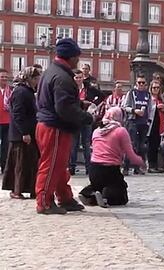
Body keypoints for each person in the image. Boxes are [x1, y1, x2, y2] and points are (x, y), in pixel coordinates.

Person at [36, 38, 94, 215]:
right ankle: (44, 202)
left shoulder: (51, 72)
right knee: (52, 164)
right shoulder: (63, 78)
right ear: (70, 57)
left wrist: (79, 103)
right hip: (56, 127)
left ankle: (65, 198)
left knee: (59, 165)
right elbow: (64, 109)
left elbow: (58, 102)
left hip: (47, 124)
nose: (78, 60)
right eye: (77, 56)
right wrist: (86, 117)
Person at [78, 107, 145, 207]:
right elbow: (130, 155)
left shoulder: (97, 131)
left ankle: (87, 194)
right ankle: (106, 197)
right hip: (111, 169)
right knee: (121, 194)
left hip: (94, 169)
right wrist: (141, 162)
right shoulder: (120, 131)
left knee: (97, 185)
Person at [2, 67, 41, 199]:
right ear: (29, 78)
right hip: (21, 135)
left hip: (28, 133)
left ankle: (30, 189)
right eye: (35, 78)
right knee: (20, 164)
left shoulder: (27, 91)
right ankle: (16, 190)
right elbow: (18, 114)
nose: (37, 81)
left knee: (29, 163)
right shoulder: (21, 92)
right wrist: (24, 132)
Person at [69, 70, 102, 175]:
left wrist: (93, 104)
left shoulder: (89, 88)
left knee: (86, 144)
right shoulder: (70, 89)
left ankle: (89, 167)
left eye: (80, 77)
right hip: (74, 119)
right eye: (76, 78)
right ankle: (72, 167)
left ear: (83, 77)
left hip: (86, 118)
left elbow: (101, 96)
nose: (78, 80)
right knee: (73, 144)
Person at [122, 74, 153, 175]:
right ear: (136, 83)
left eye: (143, 83)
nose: (141, 84)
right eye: (139, 82)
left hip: (144, 123)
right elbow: (124, 106)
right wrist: (134, 111)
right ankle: (125, 167)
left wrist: (149, 121)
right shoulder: (131, 93)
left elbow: (150, 109)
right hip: (133, 121)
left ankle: (137, 167)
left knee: (141, 146)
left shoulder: (148, 95)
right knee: (132, 145)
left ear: (146, 84)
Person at [147, 80, 164, 173]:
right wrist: (156, 107)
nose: (156, 89)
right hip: (150, 124)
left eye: (157, 88)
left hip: (158, 123)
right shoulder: (148, 98)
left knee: (156, 145)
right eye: (154, 88)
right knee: (151, 146)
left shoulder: (161, 99)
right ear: (151, 89)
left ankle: (155, 165)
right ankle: (150, 165)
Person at [0, 68, 12, 174]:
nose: (4, 78)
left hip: (8, 122)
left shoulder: (11, 90)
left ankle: (4, 167)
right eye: (2, 77)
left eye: (5, 77)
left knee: (6, 146)